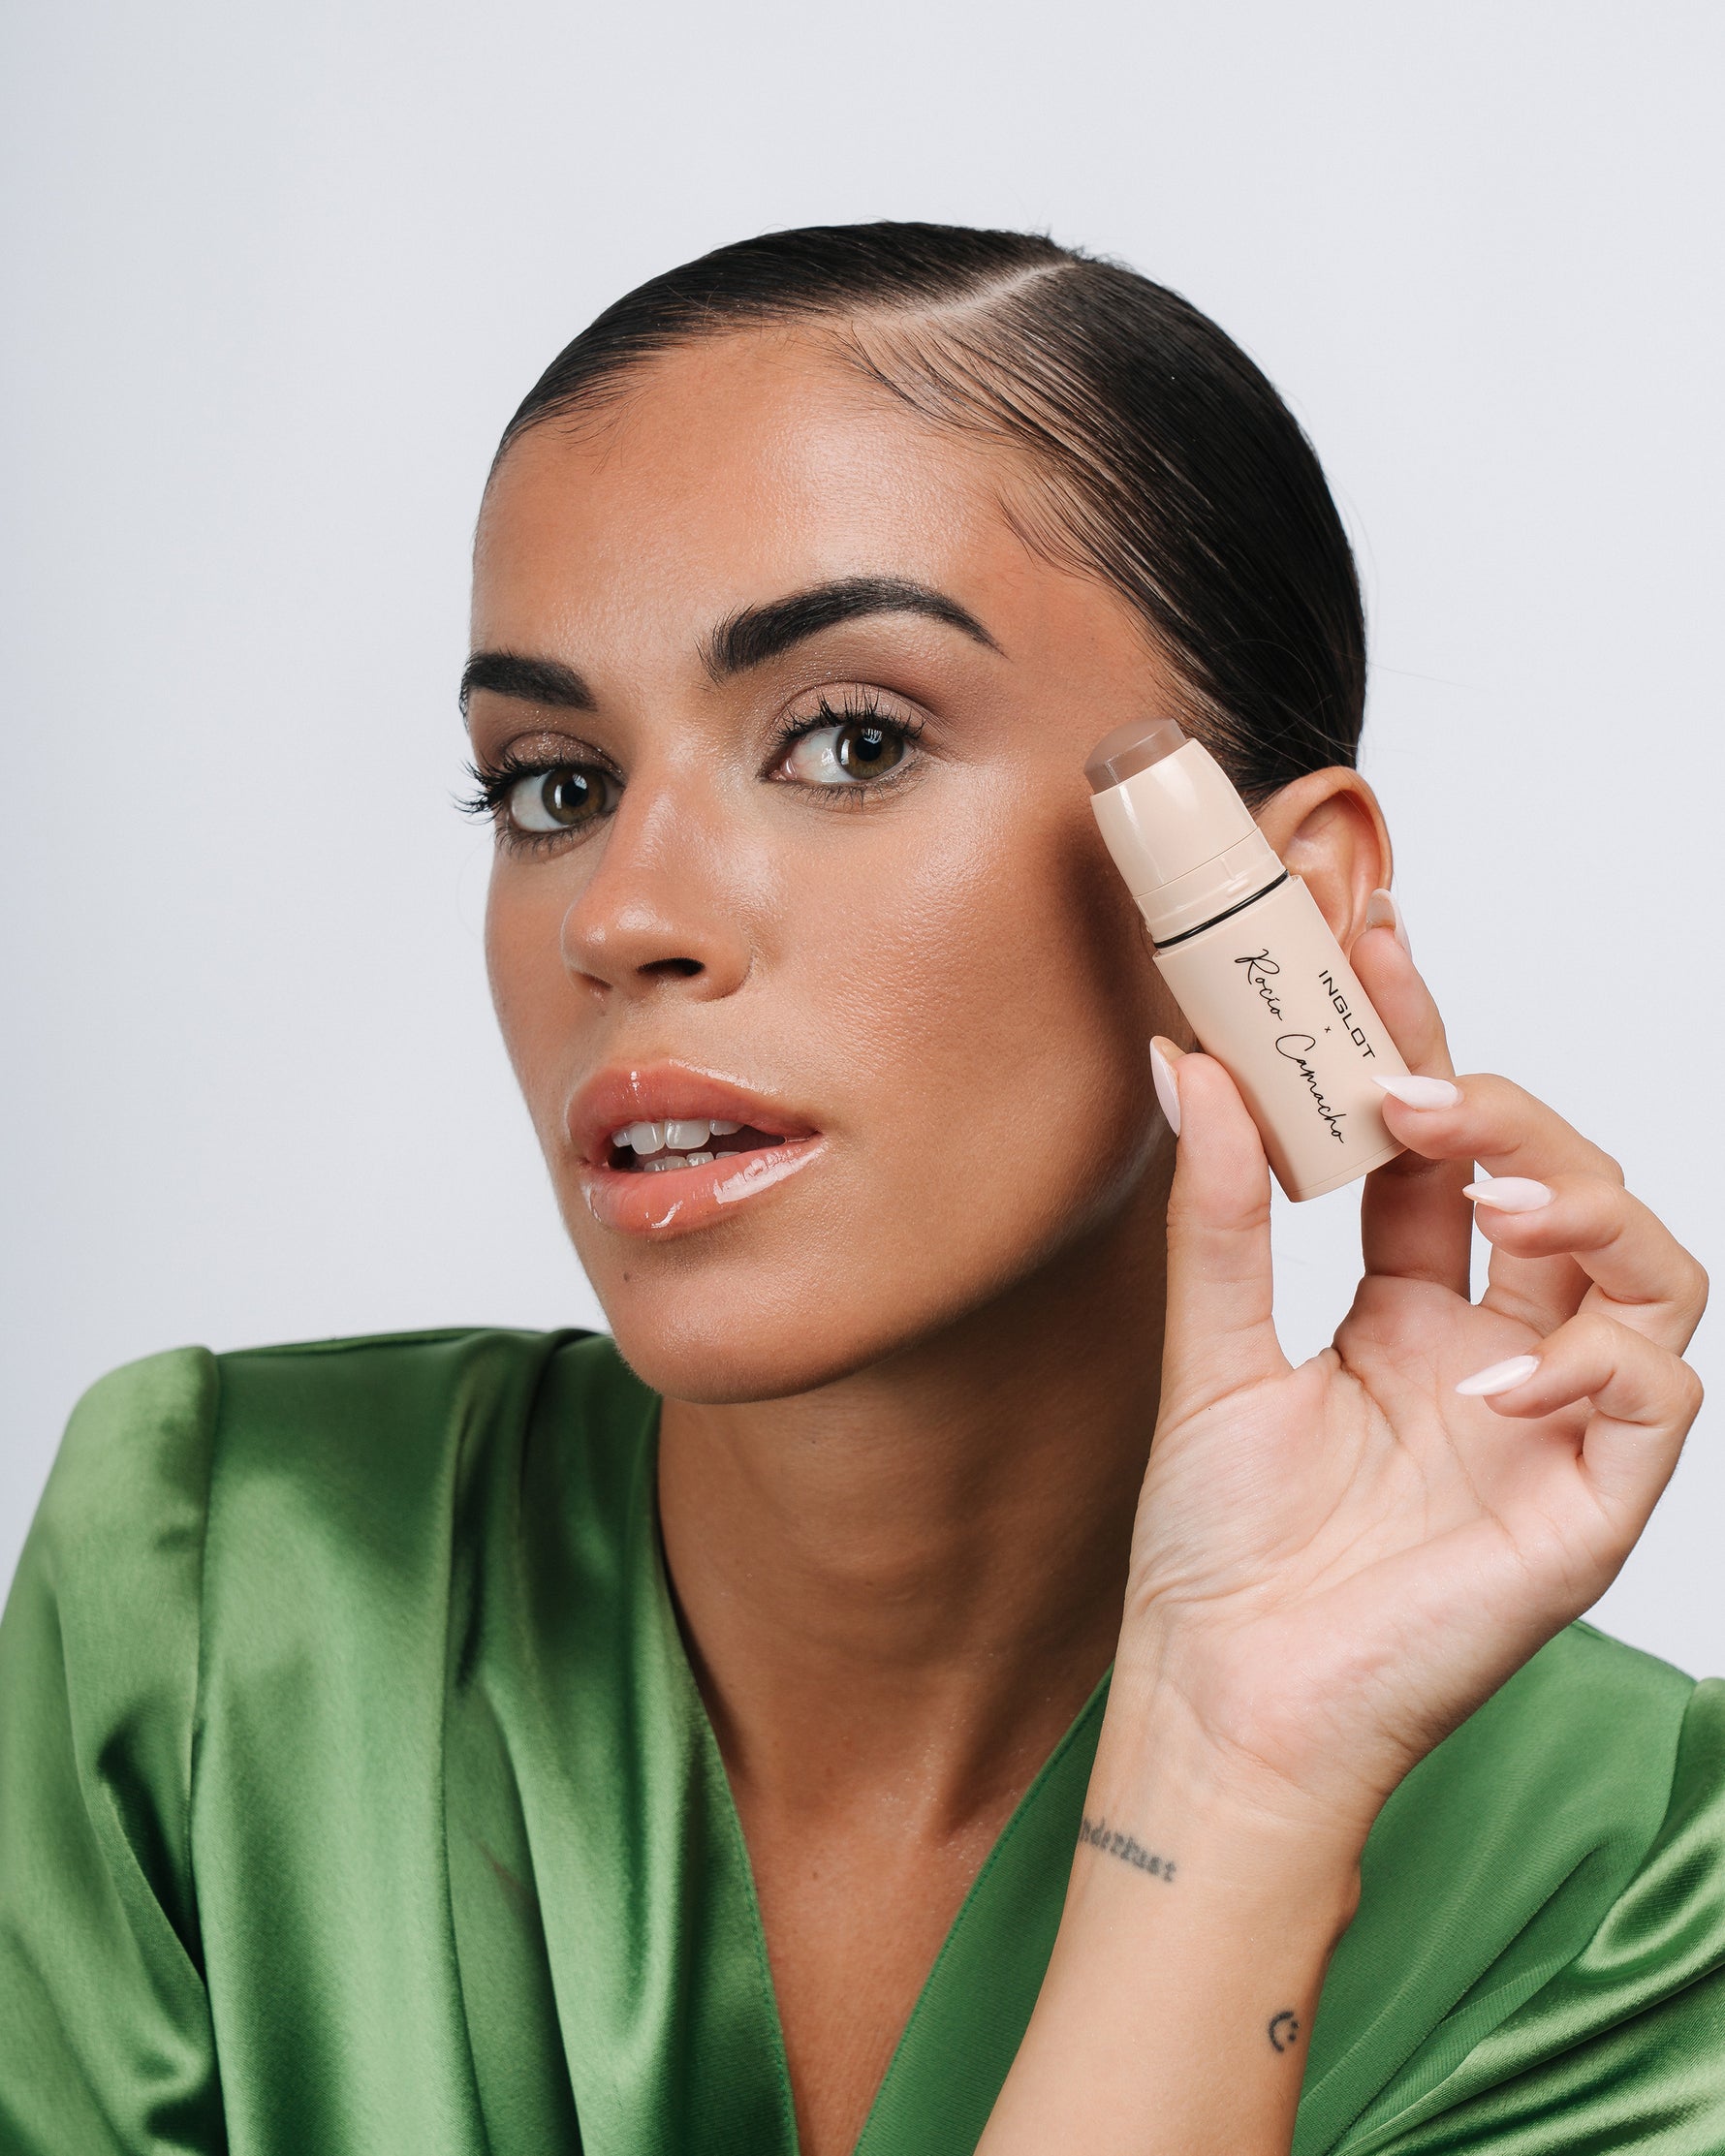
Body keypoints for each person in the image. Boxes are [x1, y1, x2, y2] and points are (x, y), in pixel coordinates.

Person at [0, 222, 1716, 2156]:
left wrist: (1238, 1779)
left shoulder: (1639, 1885)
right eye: (551, 781)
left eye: (847, 740)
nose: (621, 914)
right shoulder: (217, 1594)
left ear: (1267, 907)